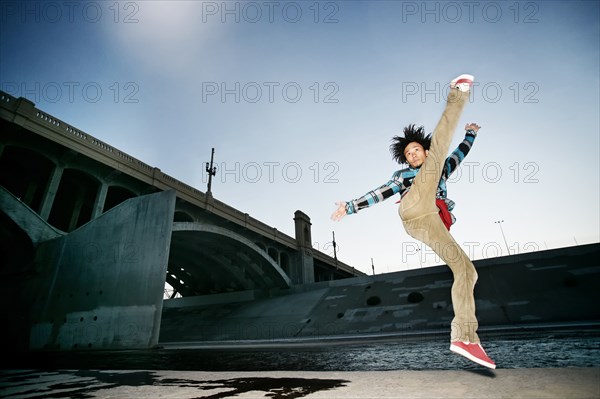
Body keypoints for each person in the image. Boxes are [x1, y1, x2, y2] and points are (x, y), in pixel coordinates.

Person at [331, 74, 496, 369]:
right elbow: (383, 192)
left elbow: (459, 154)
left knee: (467, 271)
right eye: (408, 154)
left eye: (415, 150)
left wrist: (471, 134)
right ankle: (457, 94)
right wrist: (352, 206)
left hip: (429, 221)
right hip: (412, 205)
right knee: (438, 157)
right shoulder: (404, 175)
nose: (411, 155)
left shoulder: (440, 167)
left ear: (424, 151)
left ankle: (466, 338)